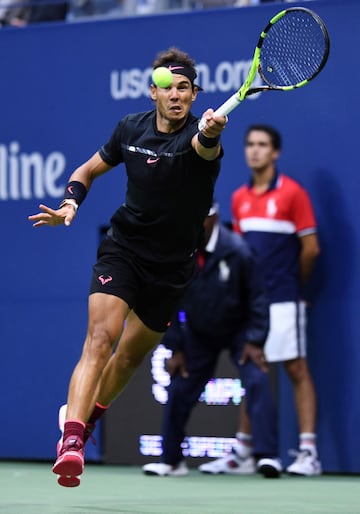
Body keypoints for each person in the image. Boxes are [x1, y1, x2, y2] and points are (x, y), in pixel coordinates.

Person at [28, 47, 227, 488]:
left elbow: (204, 149)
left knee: (129, 358)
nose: (175, 95)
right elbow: (88, 169)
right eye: (166, 87)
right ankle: (72, 441)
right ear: (151, 91)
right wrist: (70, 202)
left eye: (184, 89)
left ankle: (88, 417)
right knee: (100, 338)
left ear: (195, 95)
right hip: (124, 250)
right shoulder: (130, 128)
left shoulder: (201, 137)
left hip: (172, 268)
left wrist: (212, 133)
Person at [142, 202, 282, 479]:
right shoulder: (180, 254)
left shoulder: (239, 250)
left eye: (200, 218)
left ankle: (267, 457)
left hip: (239, 331)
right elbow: (167, 302)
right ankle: (172, 462)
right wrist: (176, 346)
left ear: (214, 218)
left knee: (257, 379)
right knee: (180, 388)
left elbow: (259, 298)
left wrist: (255, 340)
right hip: (199, 333)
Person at [226, 124, 321, 476]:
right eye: (250, 144)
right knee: (253, 372)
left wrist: (296, 287)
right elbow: (238, 255)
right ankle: (244, 451)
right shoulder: (238, 198)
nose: (255, 150)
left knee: (296, 369)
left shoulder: (293, 194)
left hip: (284, 298)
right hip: (252, 304)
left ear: (275, 152)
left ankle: (309, 452)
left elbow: (311, 250)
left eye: (262, 145)